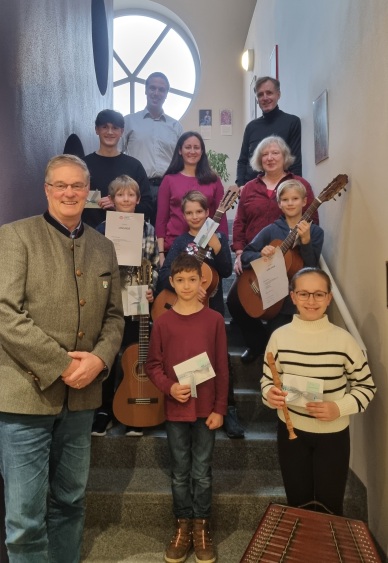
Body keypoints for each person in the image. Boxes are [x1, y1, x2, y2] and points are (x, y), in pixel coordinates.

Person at [0, 154, 124, 562]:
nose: (69, 193)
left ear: (88, 192)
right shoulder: (15, 237)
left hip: (83, 399)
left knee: (70, 504)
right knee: (25, 520)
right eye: (61, 185)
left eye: (77, 186)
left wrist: (100, 360)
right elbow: (5, 313)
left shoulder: (104, 247)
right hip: (24, 399)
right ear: (47, 190)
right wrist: (63, 364)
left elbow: (113, 316)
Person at [261, 267, 376, 515]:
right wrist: (269, 395)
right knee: (297, 503)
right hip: (291, 435)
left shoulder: (344, 340)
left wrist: (339, 407)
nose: (311, 301)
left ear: (329, 298)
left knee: (330, 505)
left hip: (333, 436)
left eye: (318, 294)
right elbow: (267, 380)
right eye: (303, 293)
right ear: (292, 296)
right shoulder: (279, 337)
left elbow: (366, 387)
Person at [146, 253, 229, 563]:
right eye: (179, 280)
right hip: (176, 410)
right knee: (180, 473)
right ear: (171, 281)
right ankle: (183, 525)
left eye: (192, 280)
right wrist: (169, 387)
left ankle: (201, 526)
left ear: (201, 282)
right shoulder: (163, 322)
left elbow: (222, 365)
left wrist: (220, 407)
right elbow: (152, 364)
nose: (186, 285)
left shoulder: (215, 320)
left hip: (207, 409)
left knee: (202, 473)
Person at [156, 191, 243, 441]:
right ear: (184, 215)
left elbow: (226, 271)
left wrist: (218, 246)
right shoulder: (181, 242)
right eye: (189, 212)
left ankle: (228, 409)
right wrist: (186, 286)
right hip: (183, 311)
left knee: (220, 359)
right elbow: (165, 276)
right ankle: (185, 409)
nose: (195, 216)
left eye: (199, 211)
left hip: (210, 309)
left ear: (208, 212)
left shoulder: (218, 237)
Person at [91, 175, 159, 438]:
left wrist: (151, 286)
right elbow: (93, 265)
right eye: (120, 195)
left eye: (131, 195)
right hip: (109, 300)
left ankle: (133, 410)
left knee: (135, 355)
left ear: (138, 199)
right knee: (108, 356)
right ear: (112, 199)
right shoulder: (101, 229)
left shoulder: (148, 230)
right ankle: (105, 410)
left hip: (138, 296)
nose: (126, 199)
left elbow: (153, 264)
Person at [228, 179, 323, 364]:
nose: (290, 203)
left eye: (295, 199)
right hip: (272, 297)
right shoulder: (271, 230)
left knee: (294, 351)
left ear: (304, 202)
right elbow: (246, 255)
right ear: (279, 204)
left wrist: (306, 243)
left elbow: (311, 269)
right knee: (274, 347)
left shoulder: (315, 232)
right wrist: (261, 254)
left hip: (295, 301)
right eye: (285, 200)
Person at [232, 135, 318, 278]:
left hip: (289, 261)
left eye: (275, 153)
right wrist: (240, 253)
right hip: (254, 257)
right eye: (265, 154)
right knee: (238, 299)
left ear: (284, 157)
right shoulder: (249, 187)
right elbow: (239, 221)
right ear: (260, 159)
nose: (270, 158)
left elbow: (312, 219)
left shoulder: (300, 184)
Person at [156, 131, 228, 267]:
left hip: (205, 247)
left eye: (196, 147)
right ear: (179, 150)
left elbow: (221, 218)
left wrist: (221, 248)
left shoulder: (214, 180)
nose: (192, 151)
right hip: (174, 247)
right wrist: (160, 254)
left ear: (202, 151)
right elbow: (161, 220)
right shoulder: (169, 180)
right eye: (188, 147)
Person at [123, 72, 183, 225]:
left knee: (164, 231)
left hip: (167, 186)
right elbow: (118, 154)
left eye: (161, 90)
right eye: (152, 88)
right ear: (145, 90)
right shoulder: (129, 122)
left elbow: (182, 161)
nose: (156, 93)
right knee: (135, 233)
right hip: (137, 188)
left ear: (166, 94)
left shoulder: (175, 127)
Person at [82, 109, 152, 228]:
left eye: (115, 128)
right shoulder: (83, 165)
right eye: (104, 127)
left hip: (127, 234)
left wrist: (119, 206)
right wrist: (97, 201)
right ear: (96, 130)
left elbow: (148, 206)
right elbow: (76, 198)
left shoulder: (134, 166)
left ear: (122, 131)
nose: (110, 132)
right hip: (90, 234)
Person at [236, 76, 302, 187]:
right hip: (252, 190)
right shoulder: (251, 127)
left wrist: (295, 189)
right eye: (260, 95)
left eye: (269, 93)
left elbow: (295, 161)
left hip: (282, 190)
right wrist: (241, 185)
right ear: (257, 99)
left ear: (278, 95)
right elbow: (242, 160)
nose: (265, 98)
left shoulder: (292, 122)